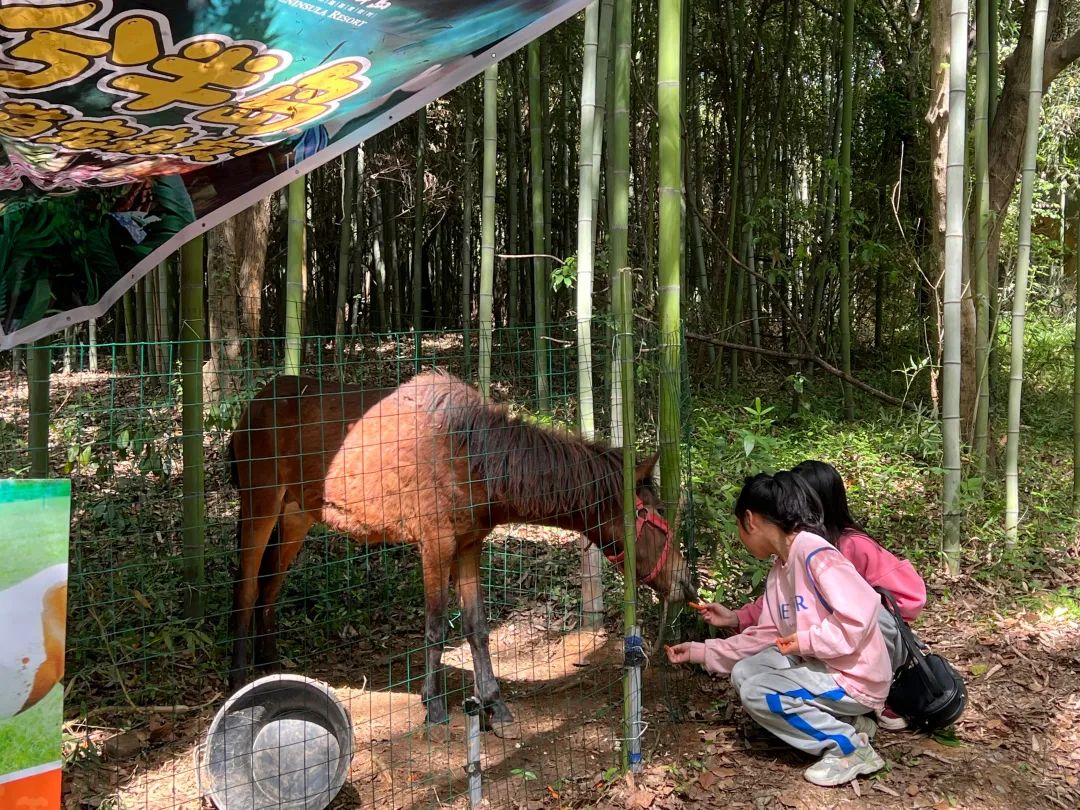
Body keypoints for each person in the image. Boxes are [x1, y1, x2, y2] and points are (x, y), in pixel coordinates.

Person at [667, 472, 891, 787]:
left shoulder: (815, 553)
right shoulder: (780, 567)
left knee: (760, 691)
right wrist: (701, 651)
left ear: (750, 520)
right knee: (745, 672)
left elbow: (859, 617)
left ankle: (848, 747)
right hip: (825, 666)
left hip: (855, 677)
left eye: (738, 526)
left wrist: (807, 641)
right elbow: (766, 635)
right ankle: (849, 721)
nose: (740, 536)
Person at [696, 460, 926, 730]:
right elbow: (784, 609)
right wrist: (736, 619)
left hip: (865, 651)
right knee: (752, 673)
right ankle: (845, 717)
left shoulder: (841, 547)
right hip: (825, 649)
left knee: (877, 619)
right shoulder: (787, 559)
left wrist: (836, 634)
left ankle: (874, 705)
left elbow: (899, 601)